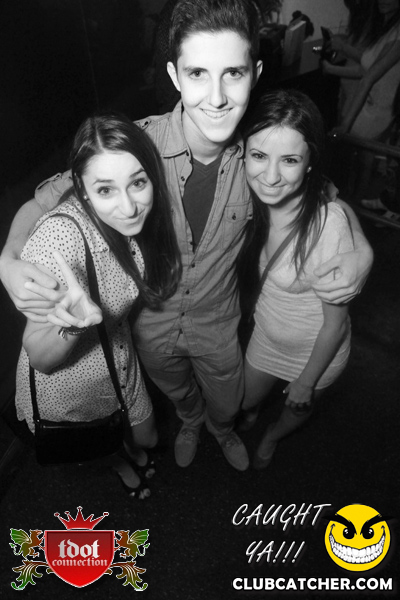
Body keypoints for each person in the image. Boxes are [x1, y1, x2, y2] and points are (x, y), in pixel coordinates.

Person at [0, 0, 373, 473]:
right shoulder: (138, 147)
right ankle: (192, 421)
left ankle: (221, 427)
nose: (216, 98)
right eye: (198, 74)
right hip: (153, 323)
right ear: (175, 76)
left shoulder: (261, 152)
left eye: (232, 73)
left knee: (229, 402)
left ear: (255, 74)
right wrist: (8, 258)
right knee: (177, 392)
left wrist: (361, 249)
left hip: (219, 322)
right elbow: (44, 199)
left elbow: (323, 193)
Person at [15, 112, 181, 497]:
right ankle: (121, 466)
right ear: (83, 189)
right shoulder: (60, 238)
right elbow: (39, 356)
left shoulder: (129, 225)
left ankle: (128, 454)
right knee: (98, 444)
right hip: (71, 384)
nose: (129, 207)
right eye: (106, 189)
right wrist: (74, 324)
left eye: (137, 183)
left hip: (119, 357)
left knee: (146, 436)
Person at [237, 89, 354, 469]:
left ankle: (272, 437)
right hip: (266, 338)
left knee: (297, 409)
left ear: (309, 164)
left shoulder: (328, 226)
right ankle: (254, 413)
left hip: (316, 351)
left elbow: (335, 325)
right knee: (244, 401)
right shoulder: (245, 200)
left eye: (289, 160)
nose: (270, 177)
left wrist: (306, 381)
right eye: (259, 156)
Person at [322, 0, 400, 211]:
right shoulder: (386, 27)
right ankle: (354, 208)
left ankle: (348, 208)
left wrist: (345, 125)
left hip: (379, 107)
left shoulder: (396, 31)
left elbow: (368, 77)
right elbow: (365, 67)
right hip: (371, 102)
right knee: (363, 159)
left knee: (348, 153)